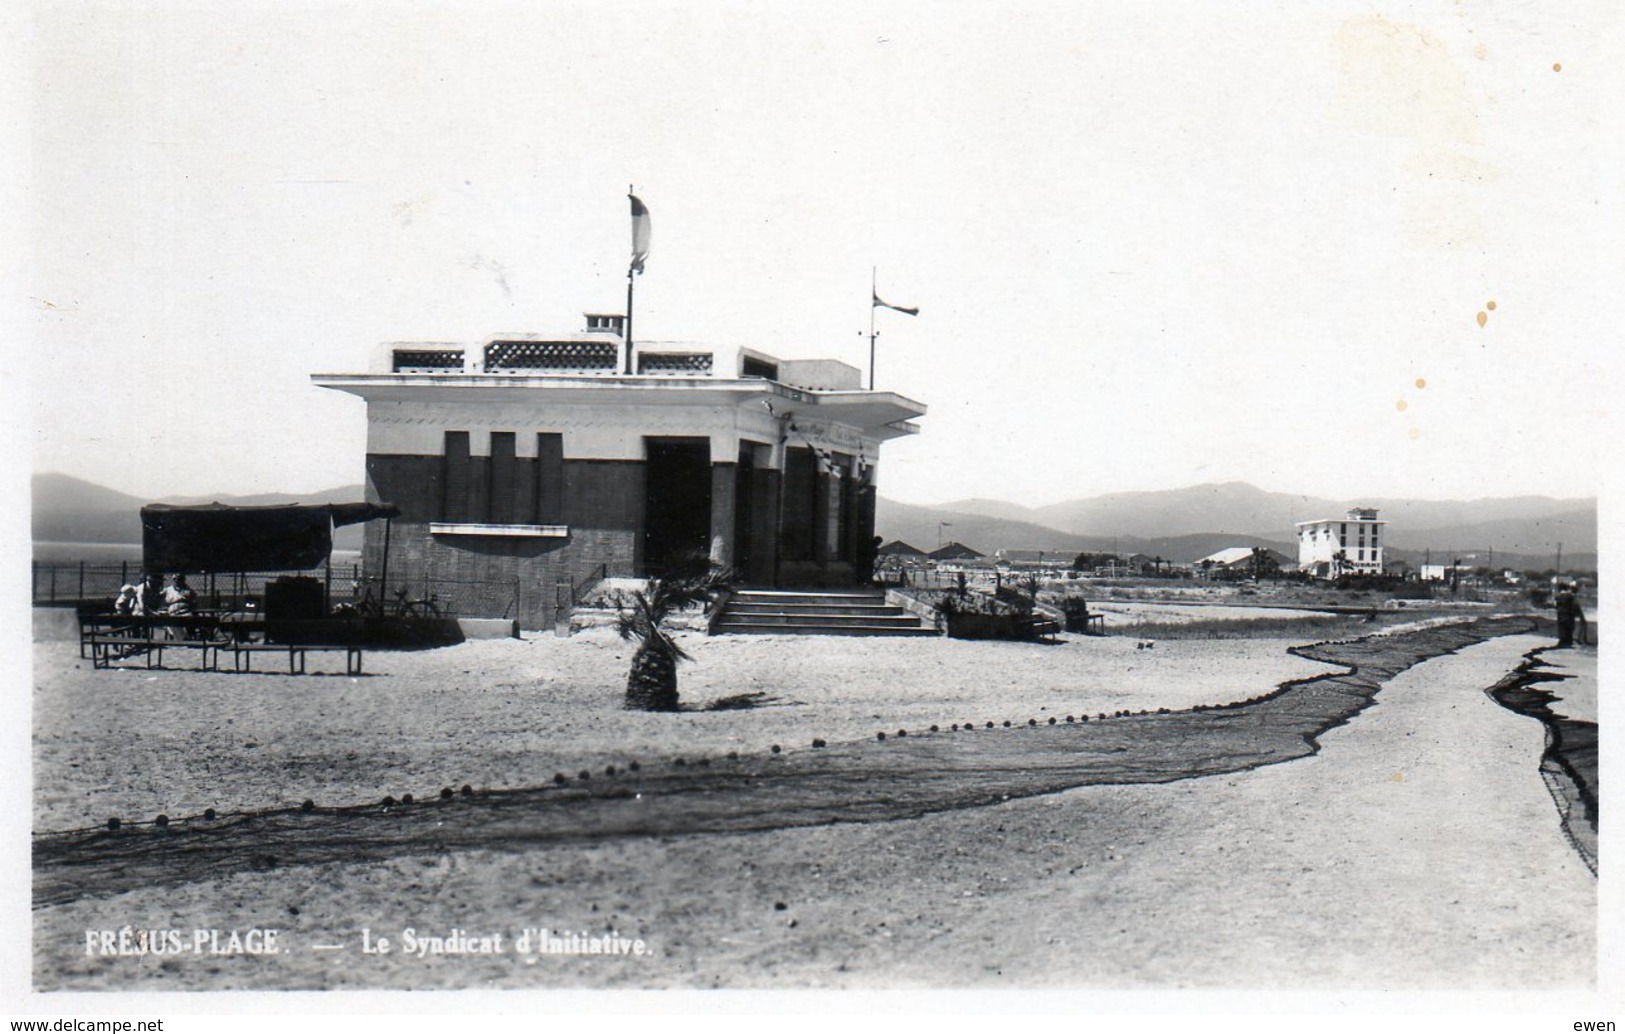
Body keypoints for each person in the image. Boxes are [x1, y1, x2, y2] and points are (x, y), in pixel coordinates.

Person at [1553, 581, 1580, 648]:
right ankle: (1568, 642)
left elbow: (1556, 606)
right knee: (1569, 629)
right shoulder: (1571, 596)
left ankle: (1562, 642)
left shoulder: (1558, 596)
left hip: (1561, 614)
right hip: (1569, 614)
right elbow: (1575, 605)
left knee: (1562, 628)